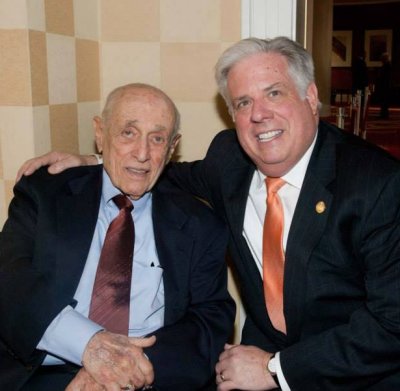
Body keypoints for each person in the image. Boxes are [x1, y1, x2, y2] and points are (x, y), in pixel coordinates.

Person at [16, 37, 400, 390]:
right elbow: (163, 171)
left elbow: (392, 324)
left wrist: (275, 369)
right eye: (243, 103)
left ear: (310, 97)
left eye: (274, 93)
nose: (259, 115)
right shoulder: (229, 159)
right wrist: (97, 162)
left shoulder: (377, 185)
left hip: (357, 373)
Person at [0, 83, 235, 391]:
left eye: (157, 138)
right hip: (44, 373)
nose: (142, 153)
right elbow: (9, 280)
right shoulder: (45, 193)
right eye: (128, 132)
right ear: (100, 133)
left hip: (148, 374)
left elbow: (210, 320)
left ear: (172, 146)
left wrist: (128, 371)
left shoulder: (200, 224)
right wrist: (89, 344)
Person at [377, 51, 392, 119]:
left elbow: (385, 77)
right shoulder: (386, 66)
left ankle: (384, 115)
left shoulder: (387, 66)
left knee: (384, 102)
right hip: (385, 86)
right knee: (383, 102)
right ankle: (383, 114)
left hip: (385, 87)